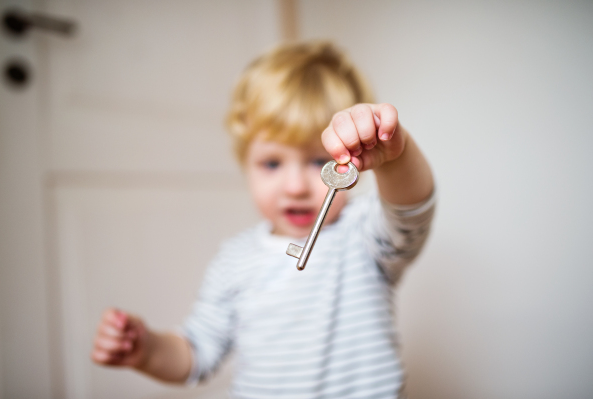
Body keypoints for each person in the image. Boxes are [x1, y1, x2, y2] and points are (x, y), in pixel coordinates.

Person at [91, 41, 435, 398]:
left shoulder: (365, 234)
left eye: (319, 161)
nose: (295, 186)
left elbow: (412, 208)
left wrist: (394, 155)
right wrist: (147, 351)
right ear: (246, 164)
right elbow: (196, 352)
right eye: (272, 163)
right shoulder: (233, 261)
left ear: (355, 164)